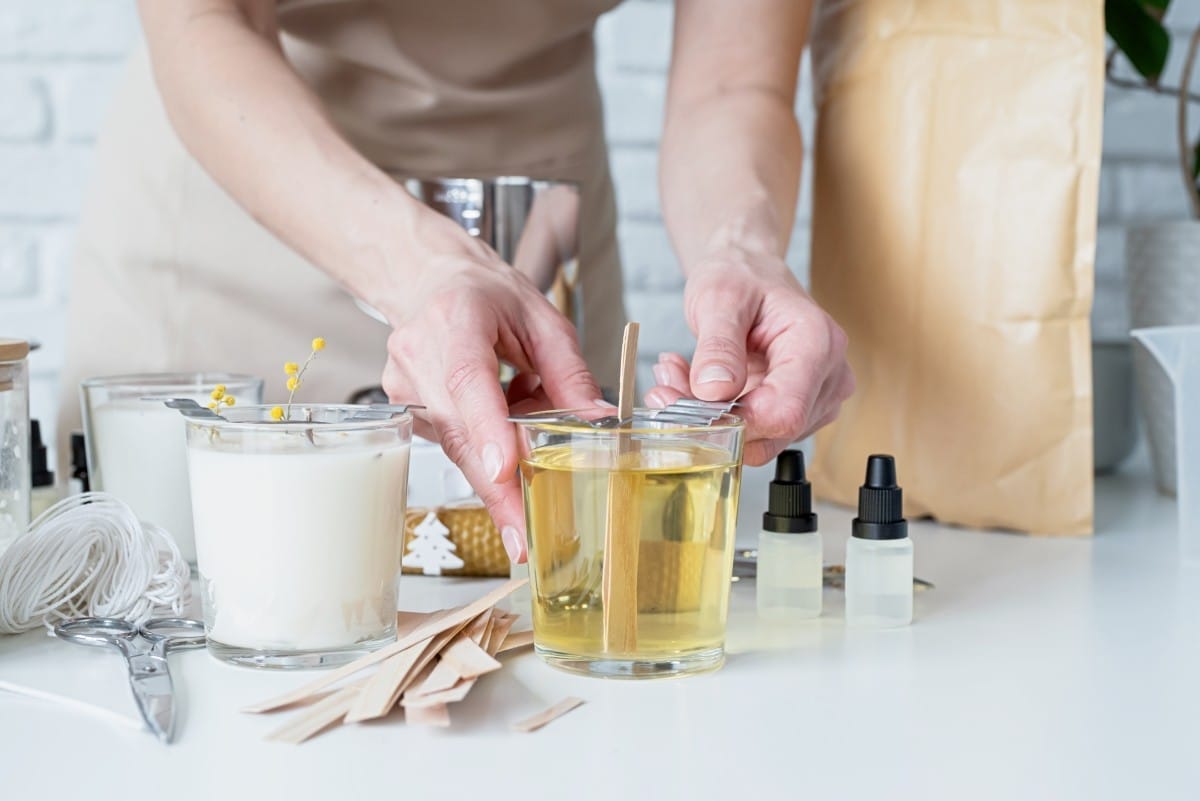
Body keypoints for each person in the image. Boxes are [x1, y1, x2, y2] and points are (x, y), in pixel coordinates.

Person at [57, 0, 853, 563]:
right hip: (256, 209)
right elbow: (205, 20)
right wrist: (424, 269)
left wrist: (740, 249)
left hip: (545, 258)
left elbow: (732, 83)